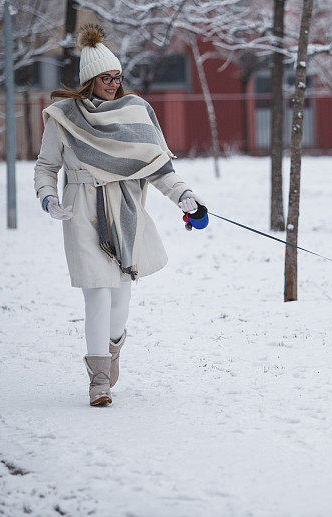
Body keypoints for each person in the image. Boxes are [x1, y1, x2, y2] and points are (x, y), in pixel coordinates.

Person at [34, 24, 203, 406]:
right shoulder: (62, 118)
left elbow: (158, 167)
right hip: (82, 213)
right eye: (105, 78)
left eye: (117, 77)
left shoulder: (135, 113)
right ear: (89, 80)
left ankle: (112, 354)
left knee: (119, 302)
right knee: (97, 295)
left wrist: (185, 197)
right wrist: (48, 199)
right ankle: (98, 382)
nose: (113, 84)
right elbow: (45, 168)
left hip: (126, 214)